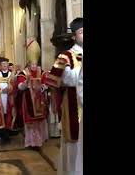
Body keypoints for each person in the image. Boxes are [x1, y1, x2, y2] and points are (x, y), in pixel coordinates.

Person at [46, 17, 83, 175]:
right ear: (74, 36)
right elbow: (54, 80)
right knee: (74, 144)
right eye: (82, 32)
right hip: (74, 105)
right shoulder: (65, 56)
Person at [17, 39, 49, 149]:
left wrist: (42, 87)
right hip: (28, 101)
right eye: (32, 64)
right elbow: (20, 87)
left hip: (40, 101)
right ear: (29, 63)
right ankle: (31, 142)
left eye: (35, 63)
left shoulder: (42, 71)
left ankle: (39, 141)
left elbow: (46, 84)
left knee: (39, 122)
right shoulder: (24, 73)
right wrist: (26, 83)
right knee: (31, 123)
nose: (34, 66)